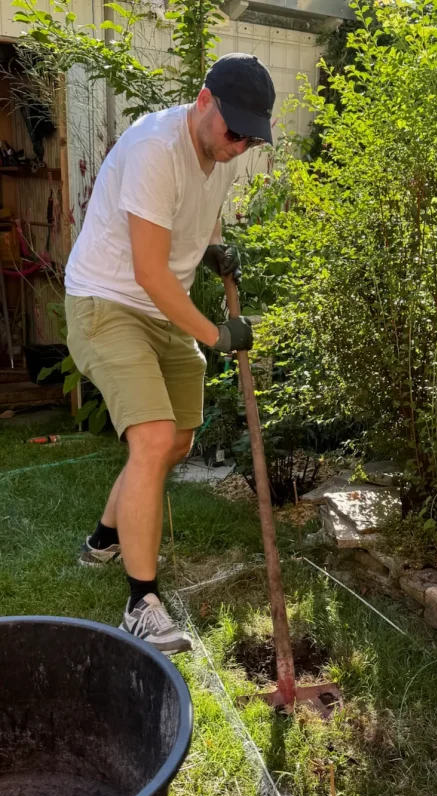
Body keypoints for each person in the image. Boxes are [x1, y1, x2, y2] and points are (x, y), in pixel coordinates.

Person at [64, 53, 275, 655]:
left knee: (178, 440)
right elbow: (151, 273)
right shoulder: (155, 147)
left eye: (249, 138)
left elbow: (195, 219)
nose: (238, 147)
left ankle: (104, 538)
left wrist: (215, 251)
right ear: (203, 100)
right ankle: (141, 603)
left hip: (160, 311)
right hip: (107, 303)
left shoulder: (221, 154)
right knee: (154, 439)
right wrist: (218, 334)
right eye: (233, 132)